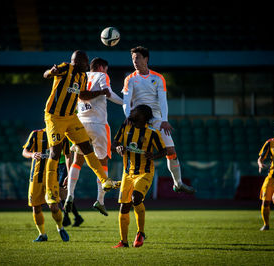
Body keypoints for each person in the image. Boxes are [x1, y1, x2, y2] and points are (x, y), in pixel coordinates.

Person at [43, 50, 120, 226]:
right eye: (78, 61)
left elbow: (83, 95)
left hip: (72, 117)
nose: (82, 64)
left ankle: (104, 180)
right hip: (54, 117)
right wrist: (51, 72)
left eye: (83, 62)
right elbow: (46, 74)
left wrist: (100, 92)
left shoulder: (83, 77)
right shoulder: (65, 68)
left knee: (86, 148)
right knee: (55, 152)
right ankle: (50, 191)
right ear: (74, 61)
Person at [122, 46, 195, 195]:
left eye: (137, 58)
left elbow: (163, 101)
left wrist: (164, 120)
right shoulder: (129, 79)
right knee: (132, 152)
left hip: (156, 119)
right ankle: (129, 187)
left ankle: (178, 183)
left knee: (171, 151)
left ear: (146, 59)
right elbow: (126, 100)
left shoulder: (158, 78)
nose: (134, 61)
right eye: (133, 59)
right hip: (138, 120)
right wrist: (128, 116)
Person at [64, 57, 123, 216]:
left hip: (80, 123)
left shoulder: (81, 76)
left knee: (77, 160)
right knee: (102, 161)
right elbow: (108, 94)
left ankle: (70, 195)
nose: (106, 72)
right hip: (98, 123)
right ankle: (100, 200)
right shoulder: (102, 76)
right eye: (106, 69)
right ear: (101, 67)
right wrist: (125, 103)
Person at [112, 104, 167, 248]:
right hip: (128, 173)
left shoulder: (152, 133)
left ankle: (140, 232)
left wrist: (153, 155)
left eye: (135, 110)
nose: (132, 112)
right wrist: (118, 147)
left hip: (145, 172)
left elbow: (164, 151)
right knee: (124, 206)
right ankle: (123, 242)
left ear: (143, 116)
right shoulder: (125, 128)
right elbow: (115, 142)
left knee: (136, 198)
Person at [22, 128, 70, 242]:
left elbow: (68, 156)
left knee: (54, 207)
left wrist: (69, 173)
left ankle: (60, 227)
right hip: (36, 177)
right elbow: (24, 151)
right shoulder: (35, 134)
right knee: (36, 207)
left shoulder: (62, 136)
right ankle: (42, 234)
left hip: (52, 177)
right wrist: (32, 155)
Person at [57, 147, 84, 227]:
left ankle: (67, 217)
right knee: (62, 194)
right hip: (59, 165)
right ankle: (76, 217)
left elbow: (71, 153)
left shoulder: (68, 136)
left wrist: (70, 172)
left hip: (66, 165)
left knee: (62, 191)